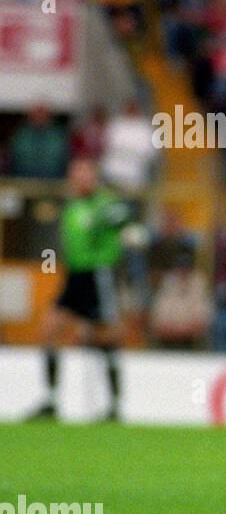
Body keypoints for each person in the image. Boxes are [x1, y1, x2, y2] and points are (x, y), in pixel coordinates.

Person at [32, 158, 131, 420]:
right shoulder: (72, 206)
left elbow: (123, 215)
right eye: (76, 173)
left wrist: (102, 222)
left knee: (106, 337)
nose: (80, 178)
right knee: (48, 329)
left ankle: (114, 405)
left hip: (98, 274)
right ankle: (50, 401)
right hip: (74, 276)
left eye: (85, 173)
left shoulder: (105, 202)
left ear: (93, 176)